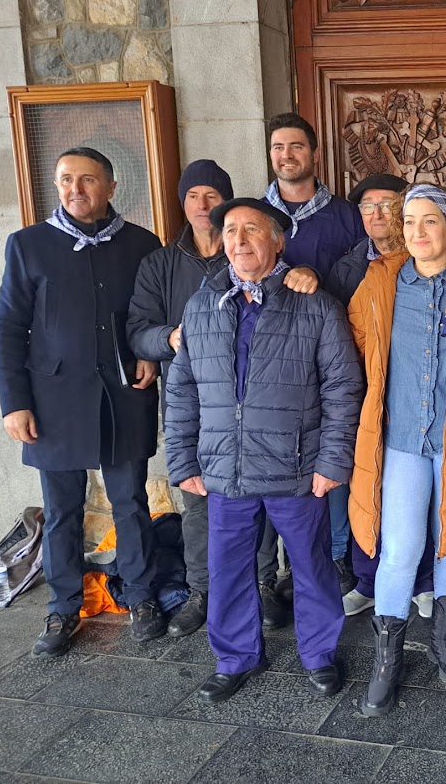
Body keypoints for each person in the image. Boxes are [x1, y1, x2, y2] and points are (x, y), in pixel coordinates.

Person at [164, 197, 363, 702]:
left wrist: (331, 461)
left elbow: (343, 387)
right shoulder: (202, 306)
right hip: (225, 468)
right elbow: (182, 389)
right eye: (231, 231)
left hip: (295, 466)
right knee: (228, 569)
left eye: (252, 229)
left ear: (277, 240)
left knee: (311, 566)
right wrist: (182, 460)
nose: (240, 240)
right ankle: (235, 657)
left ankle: (318, 654)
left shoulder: (314, 305)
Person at [126, 160, 320, 638]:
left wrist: (305, 273)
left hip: (269, 427)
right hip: (204, 416)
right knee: (201, 511)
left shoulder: (259, 269)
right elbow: (138, 332)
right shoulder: (162, 264)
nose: (203, 204)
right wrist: (172, 338)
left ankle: (262, 584)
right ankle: (204, 592)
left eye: (212, 195)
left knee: (262, 511)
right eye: (194, 195)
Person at [0, 146, 166, 657]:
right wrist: (13, 402)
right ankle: (63, 606)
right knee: (62, 509)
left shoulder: (141, 244)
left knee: (131, 502)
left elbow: (151, 314)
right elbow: (8, 326)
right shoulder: (28, 245)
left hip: (123, 393)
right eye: (66, 179)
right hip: (53, 401)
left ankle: (140, 596)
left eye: (87, 180)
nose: (76, 189)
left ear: (111, 187)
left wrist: (149, 353)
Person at [346, 182, 446, 716]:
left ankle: (443, 643)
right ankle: (387, 660)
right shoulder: (381, 281)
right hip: (402, 437)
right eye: (409, 221)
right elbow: (356, 338)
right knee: (401, 548)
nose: (417, 231)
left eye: (430, 220)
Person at [256, 112, 365, 624]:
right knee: (272, 466)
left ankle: (336, 558)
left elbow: (362, 280)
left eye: (296, 146)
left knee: (330, 459)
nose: (287, 155)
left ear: (314, 153)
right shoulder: (254, 214)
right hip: (270, 367)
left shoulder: (345, 217)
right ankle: (276, 571)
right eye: (278, 147)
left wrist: (316, 279)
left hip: (331, 357)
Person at [325, 173, 436, 619]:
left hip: (414, 399)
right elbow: (336, 336)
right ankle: (368, 581)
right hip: (364, 397)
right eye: (368, 205)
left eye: (388, 204)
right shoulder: (348, 268)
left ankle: (423, 581)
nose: (377, 213)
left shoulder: (424, 260)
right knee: (367, 490)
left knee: (419, 498)